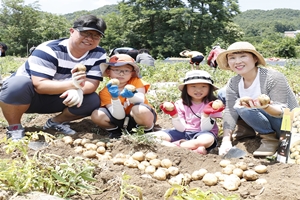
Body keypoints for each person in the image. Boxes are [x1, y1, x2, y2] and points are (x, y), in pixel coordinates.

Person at [0, 15, 107, 141]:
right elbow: (40, 86)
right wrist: (74, 84)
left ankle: (56, 122)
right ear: (72, 31)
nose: (90, 39)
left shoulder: (98, 54)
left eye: (96, 36)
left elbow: (92, 83)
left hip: (60, 97)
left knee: (93, 100)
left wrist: (78, 90)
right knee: (17, 84)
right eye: (85, 33)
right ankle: (14, 128)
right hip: (27, 97)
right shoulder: (49, 50)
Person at [217, 41, 299, 157]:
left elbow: (282, 111)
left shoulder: (273, 77)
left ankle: (271, 139)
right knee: (225, 94)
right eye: (232, 58)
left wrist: (265, 106)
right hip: (264, 118)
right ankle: (254, 132)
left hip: (288, 125)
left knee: (242, 107)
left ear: (255, 59)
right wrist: (226, 140)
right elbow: (230, 112)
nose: (237, 61)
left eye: (243, 56)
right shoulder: (234, 82)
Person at [148, 70, 224, 155]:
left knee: (206, 140)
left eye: (203, 86)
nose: (198, 90)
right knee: (150, 137)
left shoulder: (213, 104)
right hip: (183, 132)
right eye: (193, 86)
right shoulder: (180, 103)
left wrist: (206, 114)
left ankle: (173, 147)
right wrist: (174, 115)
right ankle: (192, 149)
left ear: (209, 88)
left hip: (203, 133)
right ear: (186, 88)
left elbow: (206, 129)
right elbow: (181, 129)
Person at [91, 54, 157, 138]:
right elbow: (119, 116)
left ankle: (146, 131)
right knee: (97, 114)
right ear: (108, 72)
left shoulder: (136, 82)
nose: (121, 74)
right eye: (116, 70)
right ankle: (116, 132)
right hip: (120, 119)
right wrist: (115, 98)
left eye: (126, 71)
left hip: (140, 118)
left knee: (140, 109)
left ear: (132, 73)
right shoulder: (105, 92)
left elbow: (141, 100)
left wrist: (132, 96)